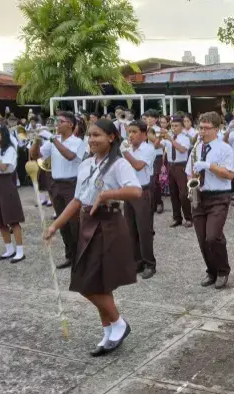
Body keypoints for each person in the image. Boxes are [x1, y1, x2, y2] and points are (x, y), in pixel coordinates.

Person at [44, 118, 142, 356]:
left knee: (89, 281)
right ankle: (108, 330)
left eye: (97, 135)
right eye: (89, 136)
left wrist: (107, 193)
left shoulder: (119, 164)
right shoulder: (86, 164)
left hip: (107, 225)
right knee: (95, 281)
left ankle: (119, 323)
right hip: (87, 222)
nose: (92, 140)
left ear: (111, 137)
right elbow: (78, 200)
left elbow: (136, 191)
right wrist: (55, 225)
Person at [185, 112, 234, 289]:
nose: (202, 132)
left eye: (206, 128)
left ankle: (223, 270)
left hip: (219, 196)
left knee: (213, 237)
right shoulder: (196, 148)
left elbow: (230, 174)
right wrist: (191, 183)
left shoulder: (224, 149)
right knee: (202, 239)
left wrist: (209, 166)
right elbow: (190, 171)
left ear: (216, 129)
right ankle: (211, 271)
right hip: (199, 195)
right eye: (200, 128)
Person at [30, 111, 86, 268]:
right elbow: (35, 156)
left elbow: (70, 156)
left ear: (70, 124)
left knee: (75, 223)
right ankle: (70, 256)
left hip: (72, 184)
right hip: (56, 184)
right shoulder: (52, 141)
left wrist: (52, 139)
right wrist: (37, 139)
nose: (57, 124)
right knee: (62, 223)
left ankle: (81, 256)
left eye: (60, 121)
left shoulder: (78, 142)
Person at [0, 124, 26, 263]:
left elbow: (2, 167)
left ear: (3, 134)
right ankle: (9, 249)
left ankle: (20, 251)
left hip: (6, 182)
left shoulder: (10, 150)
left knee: (12, 219)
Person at [122, 121, 158, 279]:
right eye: (129, 131)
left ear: (144, 134)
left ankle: (149, 263)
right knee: (130, 230)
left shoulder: (148, 149)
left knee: (144, 230)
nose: (131, 135)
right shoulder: (128, 149)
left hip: (142, 191)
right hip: (128, 192)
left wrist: (125, 153)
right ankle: (137, 262)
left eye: (134, 131)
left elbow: (137, 166)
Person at [162, 116, 193, 228]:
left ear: (182, 127)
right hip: (171, 166)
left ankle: (189, 218)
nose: (174, 128)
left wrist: (170, 139)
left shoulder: (184, 137)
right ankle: (177, 218)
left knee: (183, 193)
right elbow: (159, 145)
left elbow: (182, 149)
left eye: (176, 126)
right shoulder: (169, 136)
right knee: (173, 193)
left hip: (181, 166)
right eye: (172, 126)